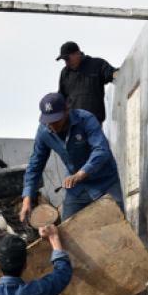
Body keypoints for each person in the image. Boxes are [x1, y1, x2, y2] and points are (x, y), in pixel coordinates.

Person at [20, 92, 124, 225]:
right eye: (48, 121)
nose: (52, 125)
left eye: (56, 119)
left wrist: (80, 174)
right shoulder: (43, 132)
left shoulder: (86, 120)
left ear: (67, 111)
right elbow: (35, 166)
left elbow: (101, 150)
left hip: (105, 183)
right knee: (67, 234)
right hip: (76, 188)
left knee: (118, 230)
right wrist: (26, 201)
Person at [57, 41, 119, 124]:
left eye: (68, 59)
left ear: (77, 53)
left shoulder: (97, 64)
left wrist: (115, 73)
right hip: (73, 124)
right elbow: (61, 97)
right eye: (64, 60)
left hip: (93, 122)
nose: (66, 62)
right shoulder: (65, 73)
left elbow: (112, 73)